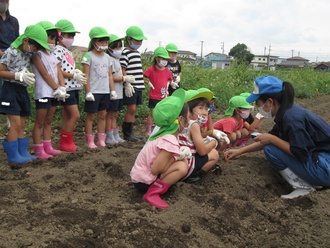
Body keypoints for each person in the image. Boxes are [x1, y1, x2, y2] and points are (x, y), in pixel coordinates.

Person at [224, 75, 330, 199]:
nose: (258, 108)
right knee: (271, 145)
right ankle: (313, 180)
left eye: (258, 103)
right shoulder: (288, 112)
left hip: (325, 167)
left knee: (271, 149)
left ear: (269, 102)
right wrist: (239, 151)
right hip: (322, 161)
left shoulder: (291, 119)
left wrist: (272, 139)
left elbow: (301, 153)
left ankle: (303, 187)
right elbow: (267, 139)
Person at [130, 88, 191, 209]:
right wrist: (176, 157)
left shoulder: (163, 135)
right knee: (182, 167)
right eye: (188, 118)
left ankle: (157, 187)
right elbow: (156, 169)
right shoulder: (170, 140)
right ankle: (153, 193)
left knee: (182, 162)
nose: (189, 122)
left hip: (139, 177)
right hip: (143, 181)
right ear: (180, 120)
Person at [0, 24, 49, 167]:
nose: (36, 51)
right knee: (15, 123)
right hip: (10, 89)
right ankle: (13, 156)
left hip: (22, 90)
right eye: (35, 47)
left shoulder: (27, 55)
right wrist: (16, 75)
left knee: (22, 123)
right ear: (26, 41)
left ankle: (22, 153)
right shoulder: (12, 52)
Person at [31, 21, 68, 159]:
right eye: (50, 38)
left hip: (54, 93)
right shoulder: (37, 55)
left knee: (48, 121)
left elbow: (59, 72)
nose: (52, 42)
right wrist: (56, 87)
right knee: (39, 122)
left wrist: (62, 87)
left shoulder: (53, 55)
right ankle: (38, 149)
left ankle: (48, 146)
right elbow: (44, 74)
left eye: (54, 39)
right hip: (43, 92)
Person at [53, 19, 87, 152]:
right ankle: (66, 141)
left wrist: (75, 72)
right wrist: (72, 75)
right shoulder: (57, 50)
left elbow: (67, 68)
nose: (71, 38)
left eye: (73, 36)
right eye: (68, 35)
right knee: (75, 115)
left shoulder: (68, 51)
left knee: (68, 115)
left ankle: (65, 141)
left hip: (73, 86)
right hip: (65, 87)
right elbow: (56, 70)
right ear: (59, 35)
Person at [82, 27, 117, 148]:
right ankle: (89, 140)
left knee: (103, 114)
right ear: (94, 42)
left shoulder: (108, 58)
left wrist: (112, 90)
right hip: (93, 91)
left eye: (106, 42)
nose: (104, 44)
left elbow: (110, 75)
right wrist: (88, 91)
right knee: (91, 115)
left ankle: (101, 139)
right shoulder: (88, 56)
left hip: (105, 91)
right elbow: (85, 75)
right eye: (101, 41)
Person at [177, 89, 221, 183]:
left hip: (174, 165)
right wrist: (214, 142)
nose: (205, 112)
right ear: (189, 109)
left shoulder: (178, 121)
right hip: (185, 166)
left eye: (206, 109)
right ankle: (194, 177)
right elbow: (202, 152)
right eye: (200, 108)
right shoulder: (193, 125)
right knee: (214, 153)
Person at [120, 25, 147, 142]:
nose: (139, 42)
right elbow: (123, 68)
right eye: (137, 40)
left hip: (139, 85)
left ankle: (131, 132)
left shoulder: (137, 53)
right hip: (131, 86)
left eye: (140, 40)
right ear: (129, 39)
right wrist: (126, 82)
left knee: (134, 109)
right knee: (131, 109)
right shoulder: (125, 52)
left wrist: (143, 78)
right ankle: (127, 133)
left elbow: (137, 68)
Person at [105, 34, 132, 144]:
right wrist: (123, 78)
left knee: (115, 114)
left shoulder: (118, 60)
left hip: (119, 91)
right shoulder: (109, 60)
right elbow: (110, 77)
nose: (119, 50)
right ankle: (109, 135)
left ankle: (115, 134)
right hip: (113, 91)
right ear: (109, 48)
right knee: (110, 114)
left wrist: (125, 81)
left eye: (120, 47)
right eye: (116, 47)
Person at [143, 46, 173, 136]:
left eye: (166, 59)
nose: (165, 61)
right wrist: (148, 83)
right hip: (154, 95)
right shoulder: (151, 69)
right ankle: (148, 130)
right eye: (163, 58)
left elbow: (170, 80)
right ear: (157, 58)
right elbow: (142, 76)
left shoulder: (167, 71)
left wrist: (171, 84)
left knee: (163, 114)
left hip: (164, 96)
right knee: (152, 113)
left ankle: (161, 129)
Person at [0, 0, 19, 129]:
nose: (3, 3)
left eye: (5, 1)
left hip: (11, 56)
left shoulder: (14, 21)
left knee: (11, 88)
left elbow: (17, 40)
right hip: (0, 54)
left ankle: (10, 122)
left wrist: (13, 56)